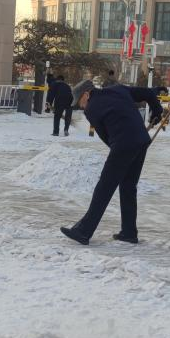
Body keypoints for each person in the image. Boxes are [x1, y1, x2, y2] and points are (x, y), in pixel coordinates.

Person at [60, 77, 151, 246]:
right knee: (128, 186)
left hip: (124, 144)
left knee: (104, 187)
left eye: (80, 101)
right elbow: (146, 93)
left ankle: (84, 231)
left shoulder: (92, 108)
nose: (81, 106)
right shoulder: (116, 90)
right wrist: (157, 108)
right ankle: (129, 232)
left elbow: (105, 136)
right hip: (141, 140)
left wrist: (118, 154)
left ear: (87, 94)